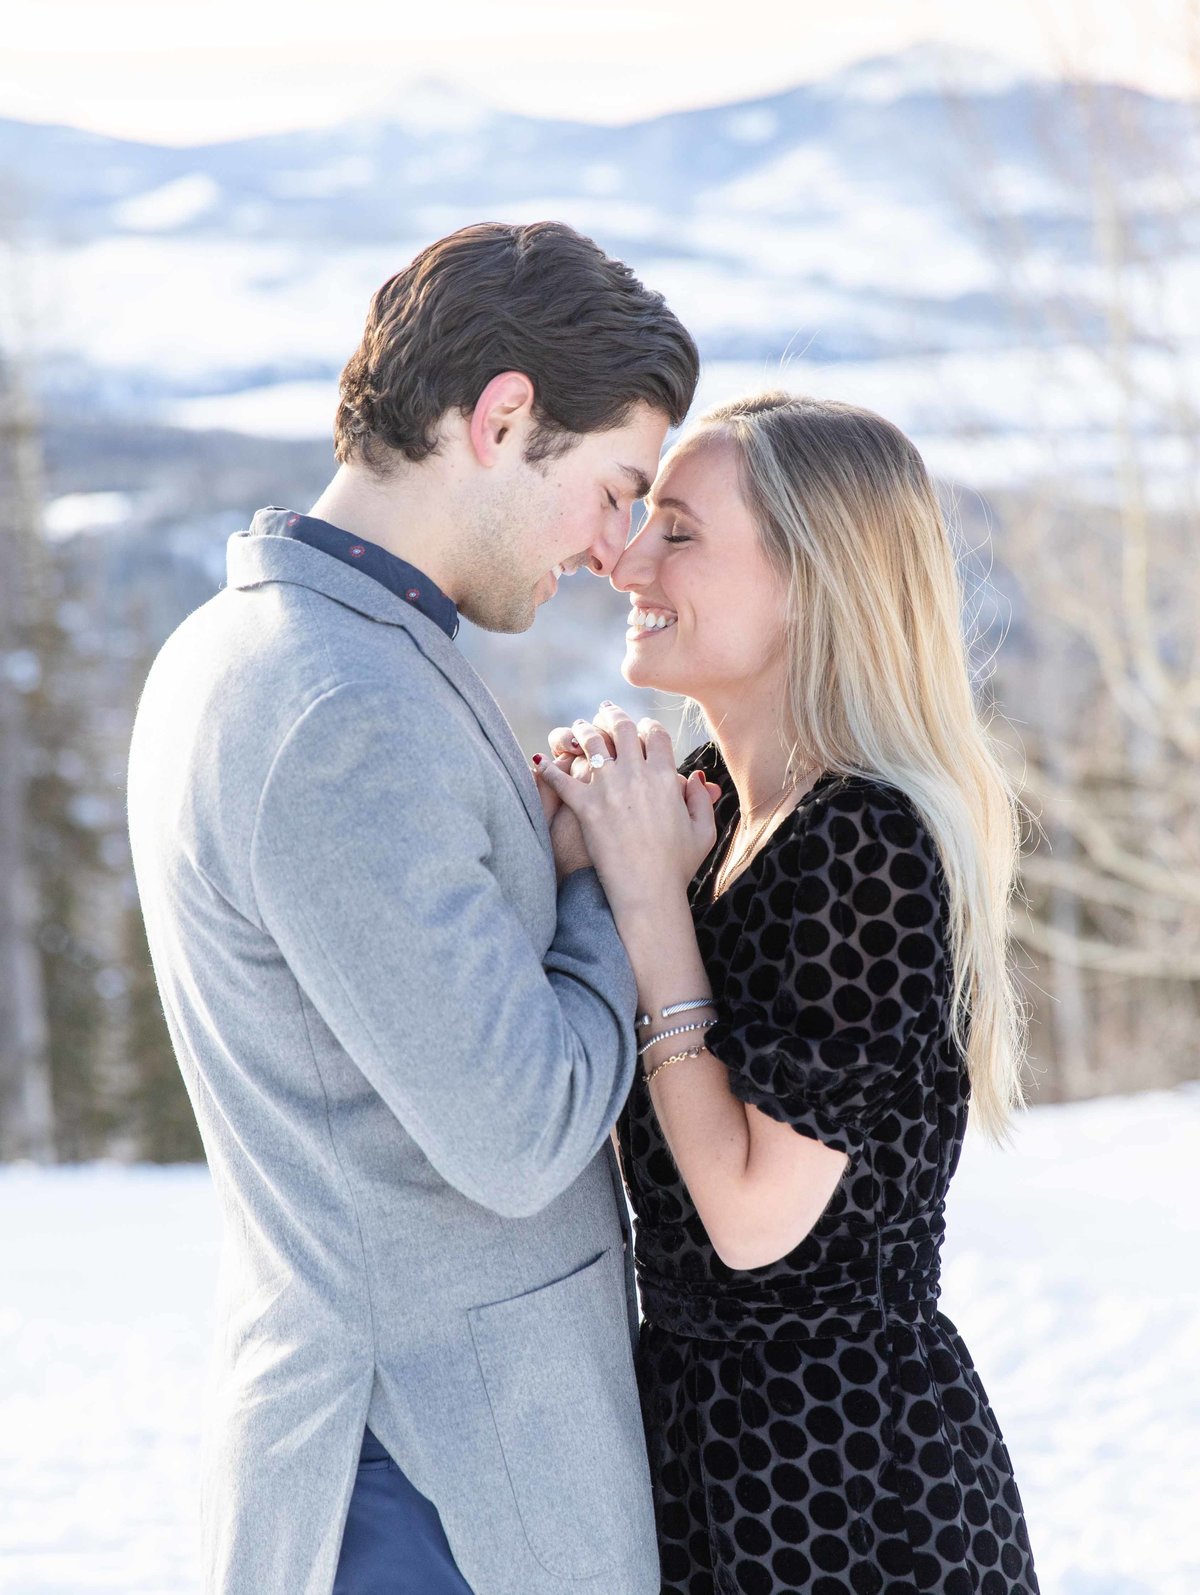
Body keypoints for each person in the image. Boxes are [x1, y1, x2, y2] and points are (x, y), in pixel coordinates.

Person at [126, 220, 699, 1595]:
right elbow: (518, 1133)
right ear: (505, 419)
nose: (615, 547)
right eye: (615, 487)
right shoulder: (336, 703)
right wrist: (616, 890)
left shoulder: (310, 644)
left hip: (420, 1457)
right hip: (427, 1479)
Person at [537, 391, 1040, 1595]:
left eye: (681, 532)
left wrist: (650, 903)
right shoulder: (720, 801)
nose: (629, 560)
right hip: (702, 1448)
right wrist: (572, 847)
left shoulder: (865, 840)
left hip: (846, 1482)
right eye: (642, 520)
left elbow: (757, 1217)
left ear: (813, 582)